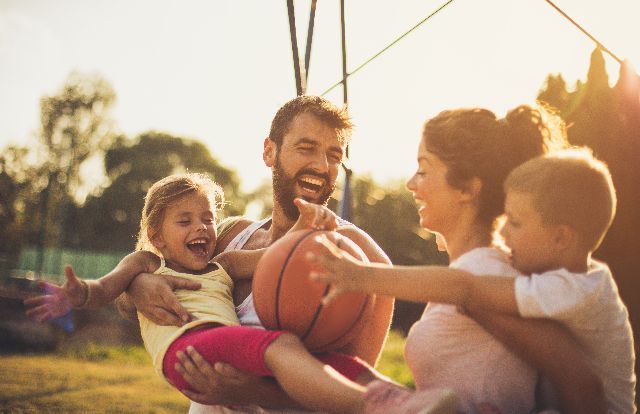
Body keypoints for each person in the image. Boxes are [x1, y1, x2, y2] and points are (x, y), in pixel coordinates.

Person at [24, 172, 456, 414]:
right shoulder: (145, 264)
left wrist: (314, 223)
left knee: (337, 362)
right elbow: (105, 289)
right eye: (185, 221)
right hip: (188, 352)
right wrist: (77, 294)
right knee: (282, 345)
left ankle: (411, 402)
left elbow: (278, 255)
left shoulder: (224, 265)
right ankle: (377, 407)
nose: (201, 229)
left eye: (207, 219)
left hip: (226, 350)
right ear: (156, 233)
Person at [288, 105, 607, 414]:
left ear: (467, 189)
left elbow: (580, 384)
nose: (411, 184)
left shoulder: (483, 280)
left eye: (424, 169)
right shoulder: (476, 272)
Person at [113, 96, 397, 413]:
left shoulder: (361, 256)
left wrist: (252, 391)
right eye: (306, 148)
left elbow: (353, 395)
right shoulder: (230, 236)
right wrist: (138, 286)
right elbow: (126, 301)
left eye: (334, 155)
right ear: (269, 151)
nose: (322, 165)